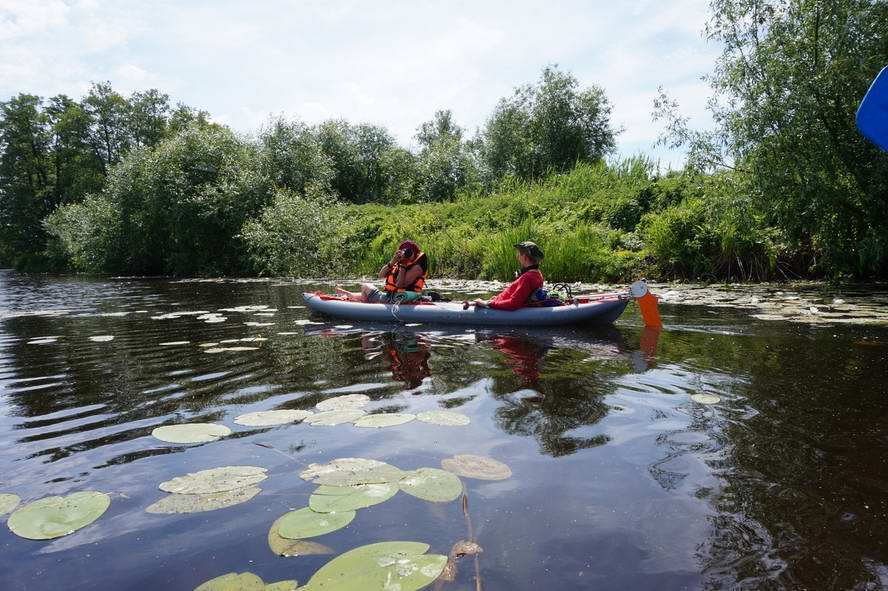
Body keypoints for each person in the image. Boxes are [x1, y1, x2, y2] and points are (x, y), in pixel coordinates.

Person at [336, 240, 428, 303]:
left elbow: (400, 285)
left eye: (409, 252)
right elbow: (381, 275)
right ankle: (352, 295)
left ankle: (351, 295)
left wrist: (403, 264)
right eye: (404, 251)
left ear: (415, 253)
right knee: (365, 285)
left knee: (366, 288)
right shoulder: (400, 263)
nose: (407, 254)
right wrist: (392, 262)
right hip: (390, 296)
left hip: (396, 299)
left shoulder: (417, 267)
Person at [471, 241, 545, 310]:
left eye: (519, 254)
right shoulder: (538, 274)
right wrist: (498, 298)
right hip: (499, 302)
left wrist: (487, 303)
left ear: (525, 256)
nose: (517, 257)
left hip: (500, 308)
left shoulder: (527, 277)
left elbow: (513, 303)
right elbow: (522, 297)